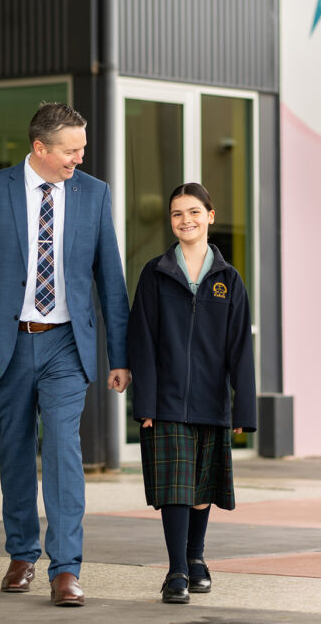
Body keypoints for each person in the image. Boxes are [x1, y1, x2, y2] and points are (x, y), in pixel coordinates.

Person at [0, 102, 130, 607]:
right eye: (71, 151)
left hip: (67, 343)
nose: (79, 159)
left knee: (64, 449)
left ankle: (66, 568)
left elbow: (110, 280)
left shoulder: (94, 194)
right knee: (16, 450)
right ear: (40, 148)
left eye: (83, 149)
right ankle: (22, 554)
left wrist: (119, 354)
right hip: (7, 341)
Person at [128, 182, 257, 604]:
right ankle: (177, 570)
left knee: (202, 487)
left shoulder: (228, 279)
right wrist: (144, 401)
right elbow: (141, 340)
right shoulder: (155, 273)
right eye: (178, 214)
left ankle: (197, 557)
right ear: (171, 221)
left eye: (194, 212)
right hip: (164, 400)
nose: (186, 220)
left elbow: (240, 347)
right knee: (175, 487)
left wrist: (245, 406)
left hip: (211, 398)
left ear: (210, 215)